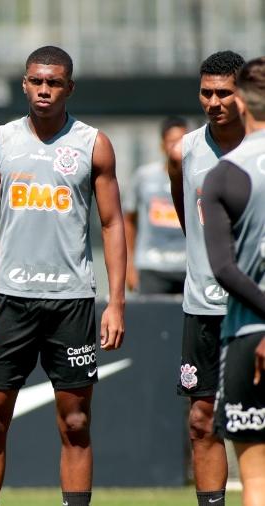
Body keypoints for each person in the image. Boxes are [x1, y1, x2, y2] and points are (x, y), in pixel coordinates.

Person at [0, 46, 125, 506]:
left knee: (75, 422)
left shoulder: (93, 144)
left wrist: (116, 302)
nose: (44, 89)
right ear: (24, 83)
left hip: (71, 302)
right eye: (36, 80)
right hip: (6, 300)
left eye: (54, 82)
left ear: (69, 88)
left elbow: (113, 224)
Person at [167, 50, 246, 506]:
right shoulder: (185, 152)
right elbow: (188, 219)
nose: (213, 101)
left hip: (253, 309)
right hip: (202, 309)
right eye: (206, 92)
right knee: (201, 420)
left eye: (224, 93)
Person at [203, 55, 265, 506]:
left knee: (257, 480)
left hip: (248, 334)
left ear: (241, 102)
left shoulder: (224, 174)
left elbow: (224, 269)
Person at [124, 116, 188, 294]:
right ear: (162, 145)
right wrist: (129, 267)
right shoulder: (144, 177)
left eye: (182, 141)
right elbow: (128, 221)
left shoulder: (199, 178)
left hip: (190, 269)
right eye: (172, 141)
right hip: (152, 268)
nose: (177, 147)